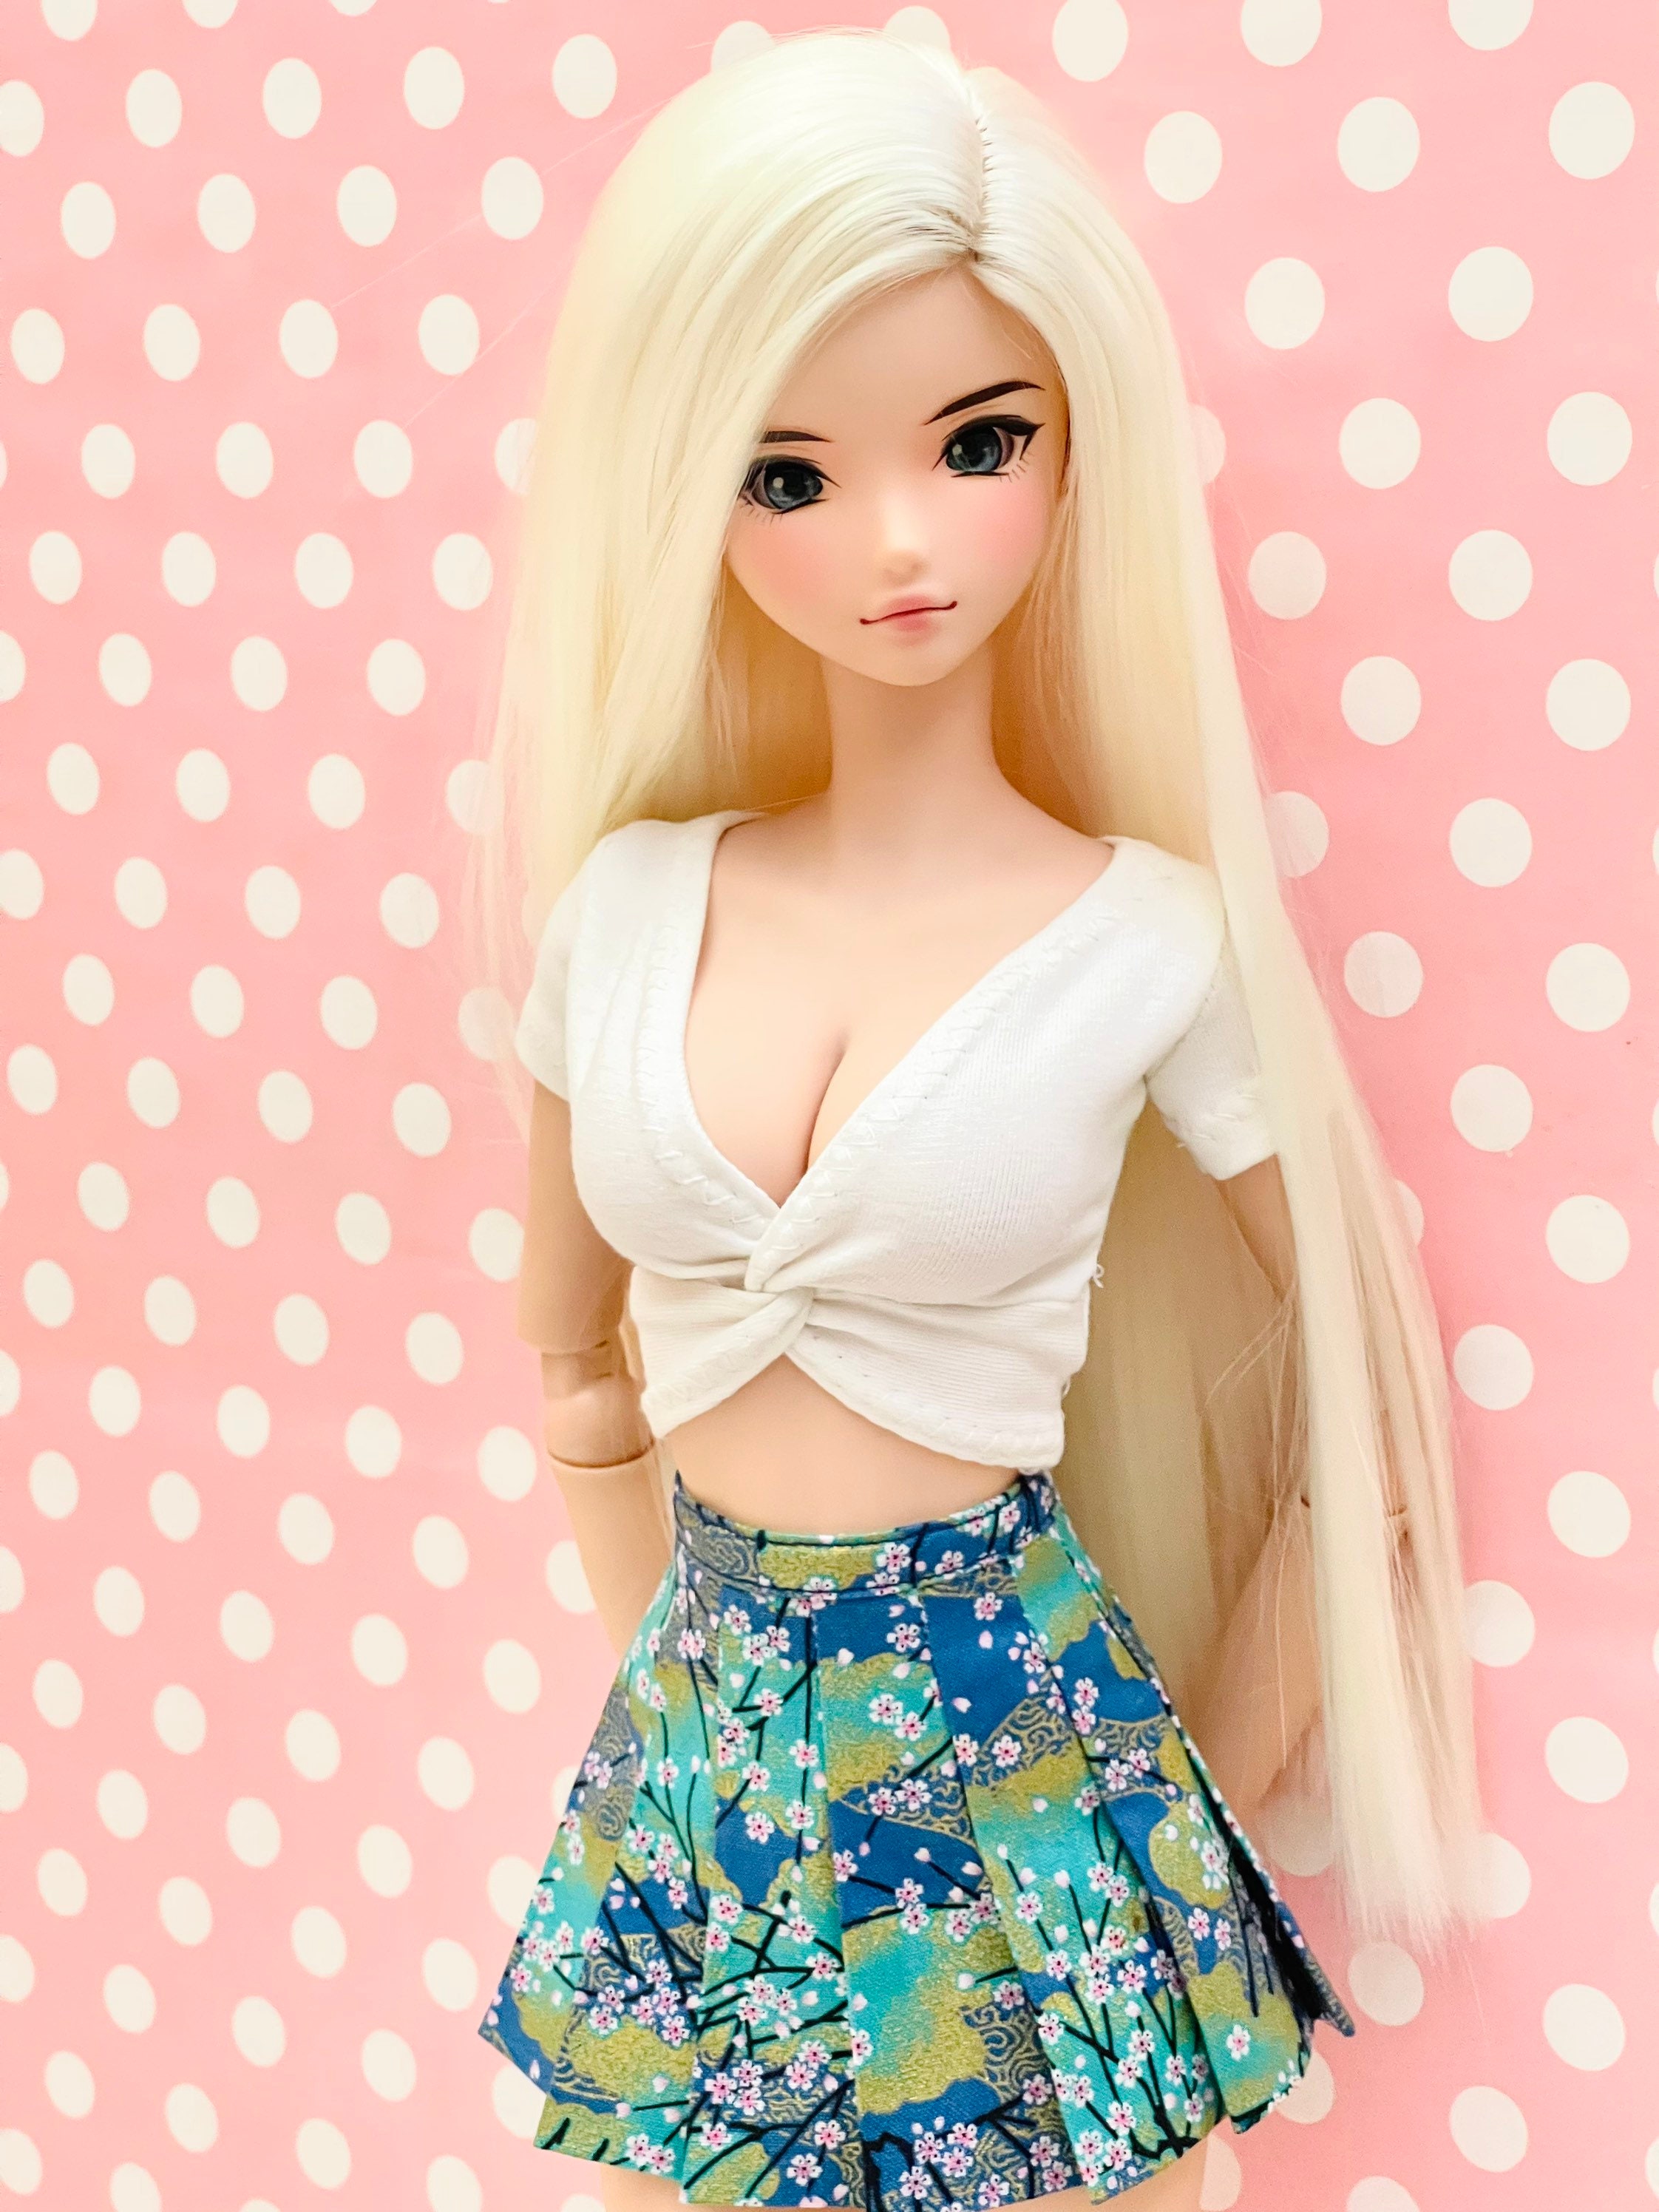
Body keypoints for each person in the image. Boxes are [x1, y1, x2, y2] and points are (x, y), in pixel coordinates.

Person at [466, 30, 1487, 2209]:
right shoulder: (622, 910)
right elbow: (576, 1367)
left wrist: (1169, 1794)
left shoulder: (1146, 941)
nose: (902, 543)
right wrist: (667, 1711)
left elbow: (1359, 1409)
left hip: (1022, 1746)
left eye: (978, 442)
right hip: (706, 1736)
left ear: (1069, 449)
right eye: (789, 474)